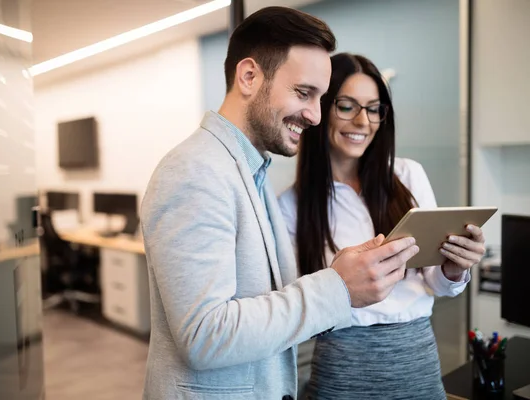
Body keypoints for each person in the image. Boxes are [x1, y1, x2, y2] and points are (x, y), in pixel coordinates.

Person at [140, 8, 420, 400]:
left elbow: (270, 306)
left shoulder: (250, 172)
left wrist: (347, 273)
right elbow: (205, 336)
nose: (315, 116)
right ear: (249, 76)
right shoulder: (194, 172)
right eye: (304, 93)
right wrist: (338, 287)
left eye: (321, 98)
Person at [278, 53, 486, 400]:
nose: (363, 121)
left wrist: (452, 268)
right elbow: (297, 307)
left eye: (374, 109)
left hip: (416, 357)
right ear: (322, 109)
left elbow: (434, 282)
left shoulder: (407, 175)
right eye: (347, 106)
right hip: (343, 368)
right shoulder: (291, 205)